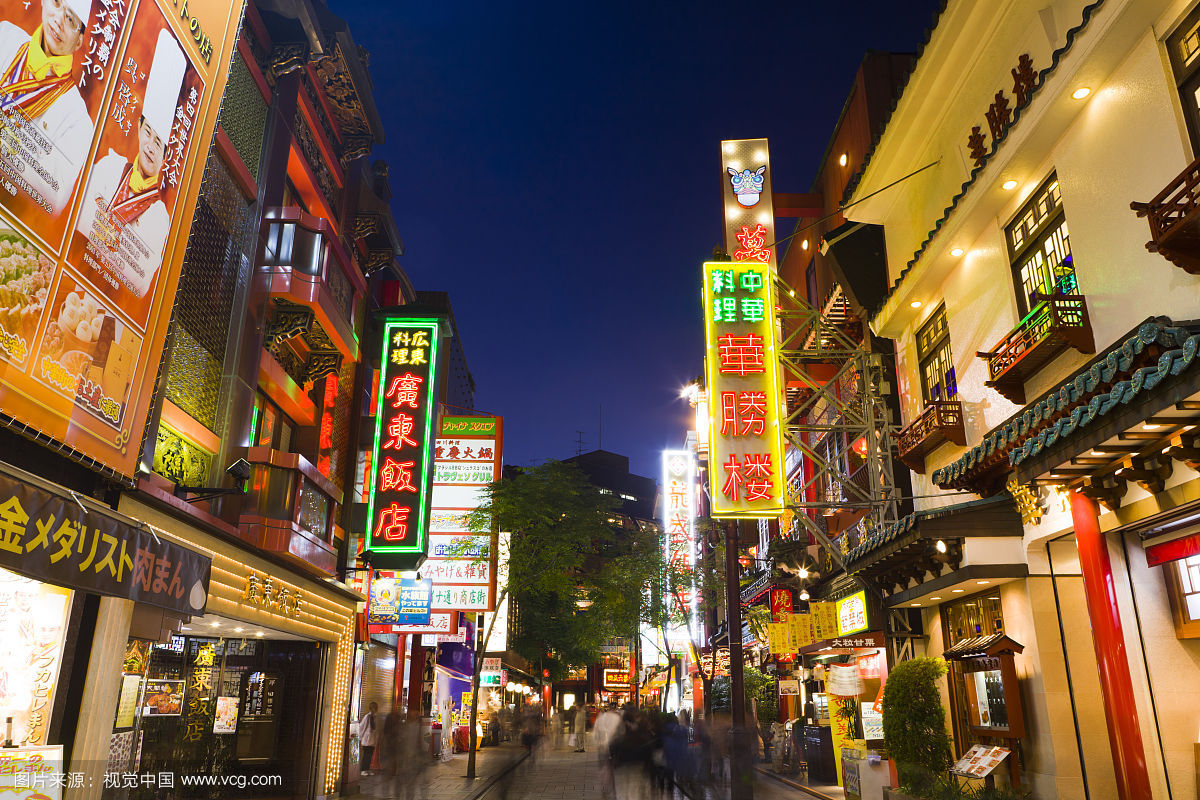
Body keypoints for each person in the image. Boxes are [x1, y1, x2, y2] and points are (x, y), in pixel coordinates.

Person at [75, 27, 183, 299]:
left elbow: (140, 282)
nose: (150, 146)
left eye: (160, 143)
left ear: (166, 155)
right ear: (138, 127)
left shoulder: (160, 217)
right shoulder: (110, 167)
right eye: (149, 133)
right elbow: (79, 217)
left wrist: (102, 223)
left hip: (111, 312)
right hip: (70, 272)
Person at [0, 0, 94, 215]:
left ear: (79, 41)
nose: (58, 20)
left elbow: (55, 198)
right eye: (56, 3)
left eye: (70, 18)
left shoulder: (79, 120)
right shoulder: (4, 34)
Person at [358, 701, 378, 776]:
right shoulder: (367, 717)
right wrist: (360, 738)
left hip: (372, 740)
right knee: (366, 755)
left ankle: (367, 769)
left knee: (370, 756)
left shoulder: (375, 717)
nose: (375, 709)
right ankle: (363, 769)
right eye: (374, 708)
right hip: (366, 740)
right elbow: (362, 727)